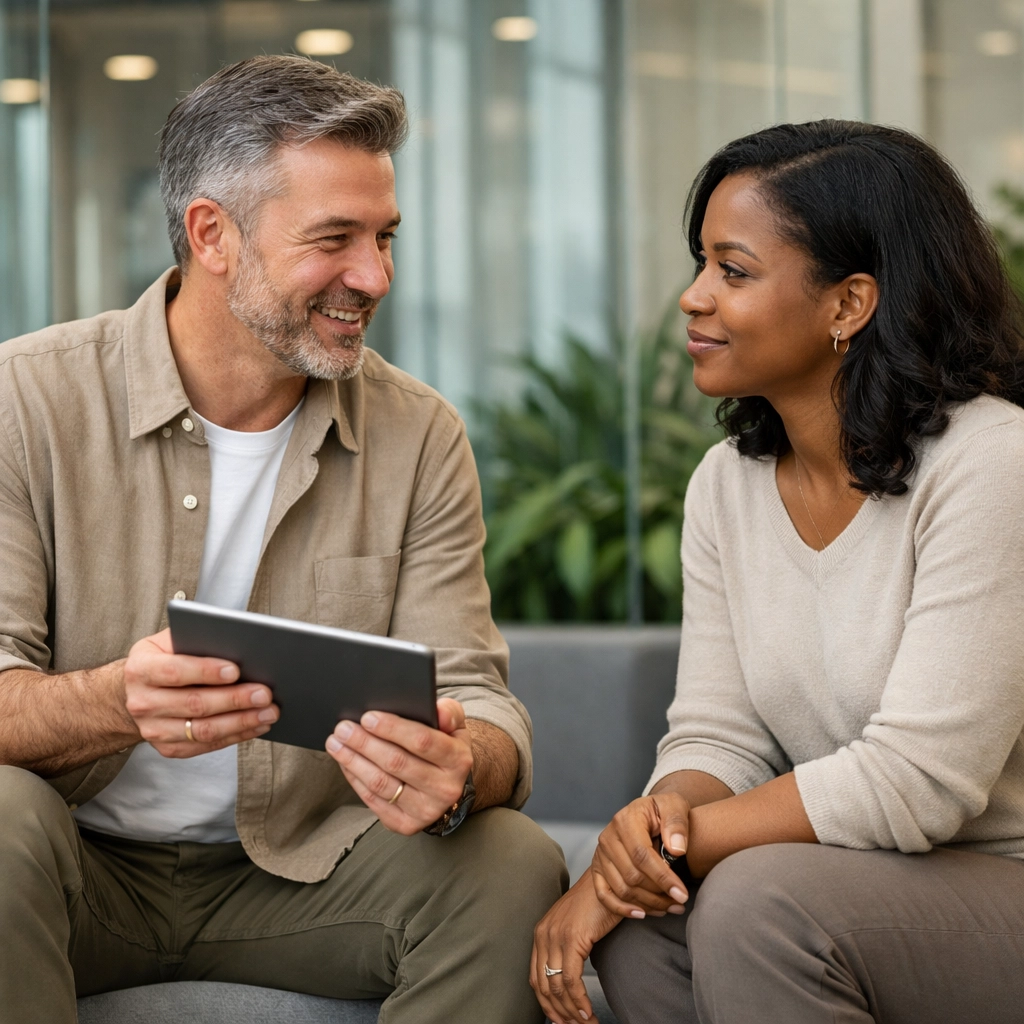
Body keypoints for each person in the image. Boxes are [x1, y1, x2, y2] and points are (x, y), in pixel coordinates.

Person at [0, 55, 565, 1024]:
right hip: (73, 865)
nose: (374, 276)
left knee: (510, 860)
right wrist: (114, 700)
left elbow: (476, 692)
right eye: (335, 239)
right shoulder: (25, 399)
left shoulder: (418, 431)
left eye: (385, 238)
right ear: (211, 234)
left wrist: (469, 764)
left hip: (306, 870)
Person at [530, 120, 1024, 1024]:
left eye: (733, 270)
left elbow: (919, 781)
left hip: (1004, 881)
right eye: (700, 265)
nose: (692, 298)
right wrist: (653, 837)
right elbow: (718, 735)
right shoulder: (728, 484)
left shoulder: (995, 462)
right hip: (868, 879)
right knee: (646, 919)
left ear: (849, 304)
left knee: (760, 902)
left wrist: (658, 849)